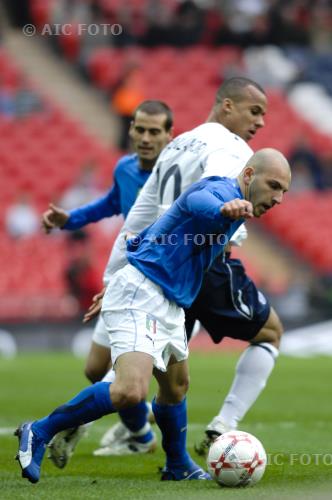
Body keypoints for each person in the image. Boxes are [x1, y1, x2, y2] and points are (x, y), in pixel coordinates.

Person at [15, 148, 291, 484]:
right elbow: (200, 203)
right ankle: (40, 431)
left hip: (169, 301)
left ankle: (178, 465)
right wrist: (224, 208)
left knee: (176, 388)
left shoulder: (238, 209)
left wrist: (121, 276)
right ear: (249, 176)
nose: (278, 197)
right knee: (130, 391)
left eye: (284, 191)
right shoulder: (220, 192)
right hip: (143, 294)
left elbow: (163, 228)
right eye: (273, 185)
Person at [47, 77, 284, 462]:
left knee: (156, 369)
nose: (259, 123)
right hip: (199, 263)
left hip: (151, 266)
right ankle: (223, 426)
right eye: (254, 111)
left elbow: (138, 217)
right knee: (271, 332)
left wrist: (119, 275)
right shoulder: (234, 149)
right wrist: (228, 212)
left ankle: (132, 433)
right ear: (227, 106)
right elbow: (211, 193)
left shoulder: (178, 143)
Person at [41, 99, 174, 464]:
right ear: (130, 130)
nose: (145, 138)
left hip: (162, 285)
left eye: (154, 131)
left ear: (168, 135)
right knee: (94, 368)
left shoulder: (175, 176)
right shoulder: (125, 168)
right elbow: (110, 204)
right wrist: (69, 219)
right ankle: (140, 435)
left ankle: (171, 455)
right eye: (140, 129)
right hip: (126, 276)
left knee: (148, 379)